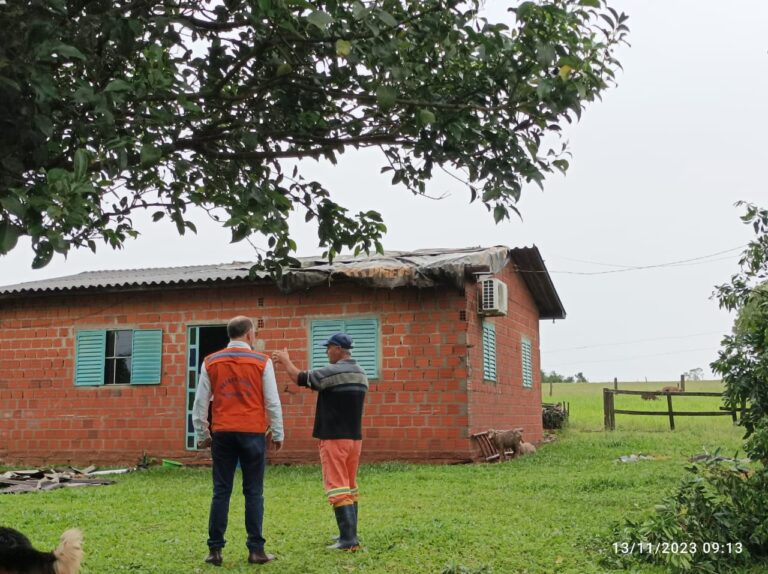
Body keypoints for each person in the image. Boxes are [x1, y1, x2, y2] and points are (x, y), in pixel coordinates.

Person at [192, 316, 284, 567]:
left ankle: (215, 551)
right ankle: (256, 550)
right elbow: (272, 401)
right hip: (252, 432)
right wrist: (277, 433)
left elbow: (200, 402)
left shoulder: (211, 361)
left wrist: (203, 434)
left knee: (221, 491)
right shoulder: (262, 361)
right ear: (249, 334)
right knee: (254, 491)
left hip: (223, 432)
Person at [272, 333, 368, 551]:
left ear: (338, 349)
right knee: (350, 485)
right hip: (354, 439)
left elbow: (301, 378)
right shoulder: (361, 373)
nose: (326, 352)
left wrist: (286, 361)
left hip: (334, 438)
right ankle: (350, 533)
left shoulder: (334, 371)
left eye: (329, 348)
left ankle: (348, 540)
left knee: (337, 487)